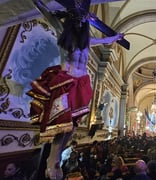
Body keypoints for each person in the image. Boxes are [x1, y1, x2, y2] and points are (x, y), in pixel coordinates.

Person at [28, 1, 123, 180]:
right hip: (65, 80)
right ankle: (52, 159)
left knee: (72, 126)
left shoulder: (87, 42)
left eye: (82, 22)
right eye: (77, 21)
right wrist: (38, 2)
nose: (79, 24)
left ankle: (54, 156)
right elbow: (48, 15)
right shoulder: (64, 35)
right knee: (63, 124)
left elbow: (105, 40)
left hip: (81, 83)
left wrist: (116, 37)